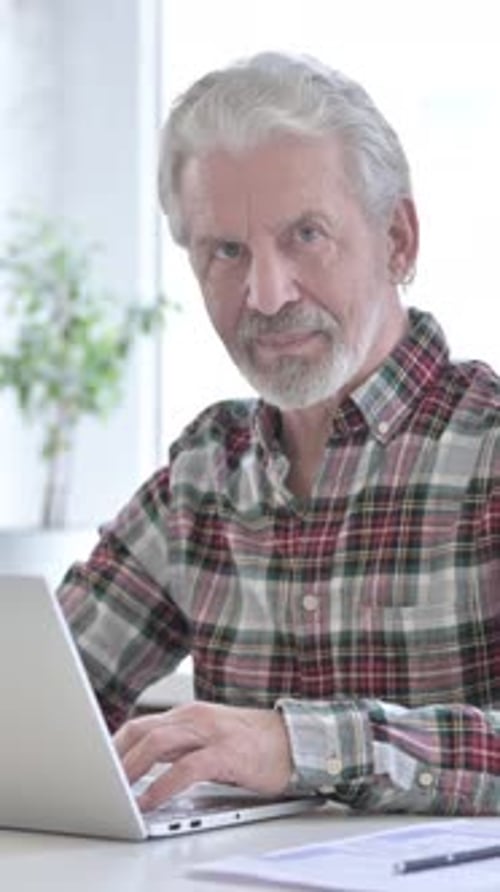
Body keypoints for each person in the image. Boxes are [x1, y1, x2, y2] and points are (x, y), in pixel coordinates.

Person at [59, 51, 500, 817]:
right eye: (226, 252)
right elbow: (46, 694)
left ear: (398, 240)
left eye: (305, 235)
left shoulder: (488, 453)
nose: (265, 295)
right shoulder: (205, 472)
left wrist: (299, 746)